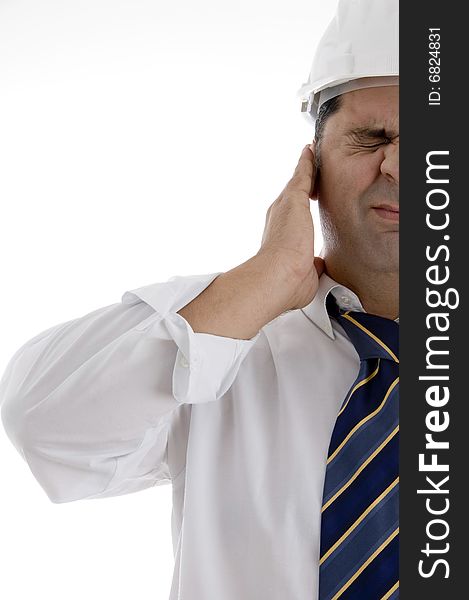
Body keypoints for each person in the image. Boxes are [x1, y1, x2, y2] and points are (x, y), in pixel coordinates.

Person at [0, 0, 399, 598]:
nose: (400, 165)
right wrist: (266, 277)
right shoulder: (221, 332)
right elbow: (44, 423)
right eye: (371, 138)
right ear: (310, 166)